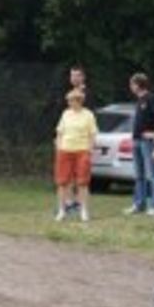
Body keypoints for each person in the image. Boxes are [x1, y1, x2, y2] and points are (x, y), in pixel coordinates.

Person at [53, 87, 98, 222]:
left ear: (79, 101)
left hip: (82, 151)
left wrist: (90, 150)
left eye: (72, 101)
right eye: (69, 101)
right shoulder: (65, 114)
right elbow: (59, 133)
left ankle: (83, 210)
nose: (69, 103)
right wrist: (59, 147)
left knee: (82, 182)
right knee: (62, 182)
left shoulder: (88, 115)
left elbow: (93, 134)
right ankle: (62, 210)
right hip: (65, 151)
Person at [124, 72, 154, 216]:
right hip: (136, 140)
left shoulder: (151, 98)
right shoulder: (139, 100)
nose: (130, 87)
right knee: (139, 175)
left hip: (147, 141)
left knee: (153, 174)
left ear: (138, 85)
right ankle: (139, 204)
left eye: (132, 84)